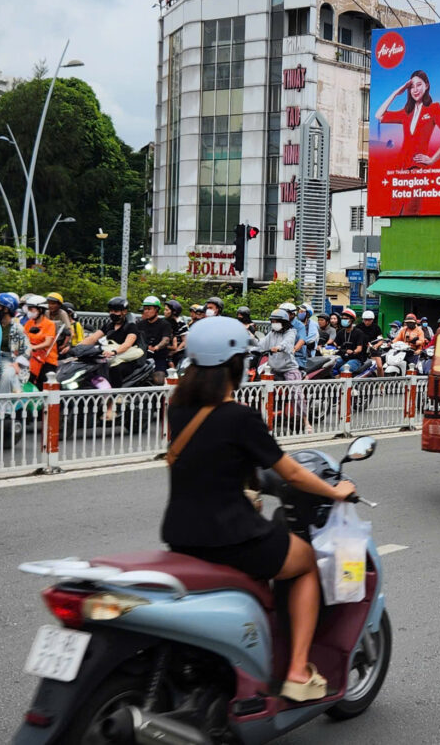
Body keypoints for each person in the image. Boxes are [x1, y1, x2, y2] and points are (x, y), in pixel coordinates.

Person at [163, 316, 355, 702]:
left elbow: (213, 461)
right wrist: (336, 493)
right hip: (230, 536)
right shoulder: (240, 417)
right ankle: (298, 671)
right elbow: (293, 474)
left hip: (179, 535)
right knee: (304, 563)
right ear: (237, 364)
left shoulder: (177, 409)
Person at [374, 69, 440, 215]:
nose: (415, 90)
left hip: (417, 169)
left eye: (419, 85)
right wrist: (396, 92)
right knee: (395, 212)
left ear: (426, 85)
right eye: (411, 87)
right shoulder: (406, 113)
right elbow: (379, 115)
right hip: (400, 168)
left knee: (410, 212)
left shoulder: (434, 108)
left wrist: (432, 159)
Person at [81, 298, 142, 386]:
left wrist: (114, 352)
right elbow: (93, 338)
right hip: (110, 357)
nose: (112, 313)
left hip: (127, 359)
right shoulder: (108, 326)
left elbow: (127, 344)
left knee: (114, 369)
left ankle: (116, 396)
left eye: (116, 311)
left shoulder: (131, 326)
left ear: (124, 312)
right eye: (111, 311)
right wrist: (77, 348)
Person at [255, 309, 303, 382]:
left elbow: (287, 343)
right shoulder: (272, 333)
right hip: (273, 369)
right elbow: (262, 343)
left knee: (295, 392)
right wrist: (250, 348)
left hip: (288, 370)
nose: (274, 323)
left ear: (284, 322)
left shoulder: (290, 333)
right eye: (273, 322)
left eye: (277, 321)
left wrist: (279, 348)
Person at [21, 295, 58, 387]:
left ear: (40, 310)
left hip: (46, 360)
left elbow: (47, 343)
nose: (29, 311)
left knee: (43, 385)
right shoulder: (29, 323)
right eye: (28, 309)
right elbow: (22, 336)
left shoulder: (49, 324)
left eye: (31, 309)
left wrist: (33, 347)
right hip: (32, 358)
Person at [136, 296, 175, 381]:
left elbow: (166, 340)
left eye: (149, 309)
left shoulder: (165, 324)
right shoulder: (139, 324)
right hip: (141, 357)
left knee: (159, 379)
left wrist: (156, 347)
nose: (146, 311)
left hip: (158, 358)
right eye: (145, 309)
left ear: (157, 310)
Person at [165, 300, 188, 367]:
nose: (164, 312)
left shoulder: (181, 323)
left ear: (174, 312)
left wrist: (175, 351)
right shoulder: (165, 322)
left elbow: (185, 341)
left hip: (178, 352)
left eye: (167, 310)